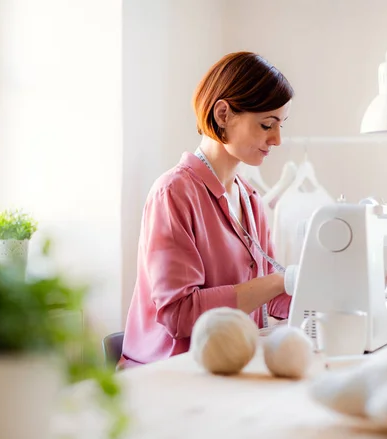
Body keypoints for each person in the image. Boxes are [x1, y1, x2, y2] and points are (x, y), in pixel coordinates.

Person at [119, 51, 294, 367]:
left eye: (280, 124)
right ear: (223, 113)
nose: (277, 139)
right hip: (169, 373)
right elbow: (180, 313)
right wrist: (281, 281)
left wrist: (327, 288)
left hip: (229, 366)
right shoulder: (173, 194)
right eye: (267, 124)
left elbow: (269, 296)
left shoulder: (251, 200)